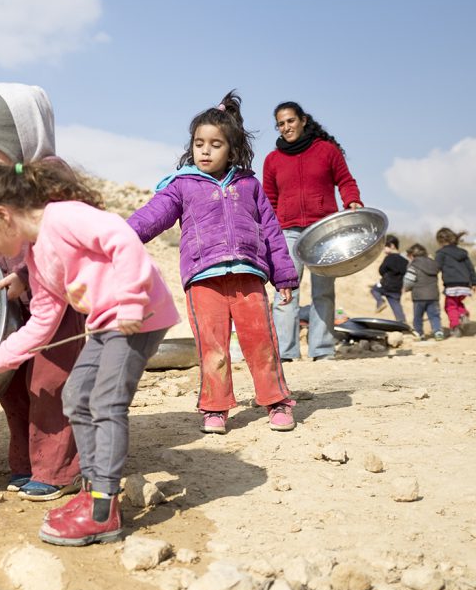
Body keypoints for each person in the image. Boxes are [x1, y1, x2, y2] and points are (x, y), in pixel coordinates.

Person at [0, 161, 179, 546]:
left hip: (138, 318)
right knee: (76, 396)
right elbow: (43, 321)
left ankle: (104, 510)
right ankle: (92, 492)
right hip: (107, 323)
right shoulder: (36, 259)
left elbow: (122, 240)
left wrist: (131, 302)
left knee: (105, 402)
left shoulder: (63, 218)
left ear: (2, 216)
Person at [128, 91, 299, 435]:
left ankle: (276, 401)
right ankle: (215, 408)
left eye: (215, 144)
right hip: (203, 279)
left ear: (231, 149)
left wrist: (284, 276)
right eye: (199, 143)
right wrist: (117, 236)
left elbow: (272, 231)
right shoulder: (182, 186)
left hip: (249, 276)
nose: (205, 150)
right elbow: (151, 218)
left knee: (261, 341)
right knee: (213, 347)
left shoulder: (249, 184)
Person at [0, 83, 85, 501]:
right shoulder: (3, 182)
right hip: (21, 308)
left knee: (50, 386)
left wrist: (26, 275)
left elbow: (54, 242)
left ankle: (60, 470)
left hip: (60, 305)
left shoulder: (53, 180)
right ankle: (27, 463)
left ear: (23, 137)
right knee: (14, 388)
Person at [263, 101, 363, 362]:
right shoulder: (272, 160)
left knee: (323, 291)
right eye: (281, 123)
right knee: (285, 291)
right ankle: (286, 354)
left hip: (323, 231)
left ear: (303, 120)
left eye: (290, 121)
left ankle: (322, 350)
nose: (286, 127)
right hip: (287, 232)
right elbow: (270, 200)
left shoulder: (326, 151)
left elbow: (345, 180)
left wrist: (352, 200)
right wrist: (268, 233)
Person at [434, 227, 475, 337]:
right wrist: (474, 283)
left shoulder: (441, 253)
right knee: (457, 303)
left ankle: (455, 328)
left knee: (450, 306)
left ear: (440, 241)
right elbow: (470, 268)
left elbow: (435, 267)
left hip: (451, 285)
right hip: (465, 285)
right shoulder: (463, 253)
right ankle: (463, 315)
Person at [403, 243, 443, 340]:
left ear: (412, 255)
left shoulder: (413, 265)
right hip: (433, 295)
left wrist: (406, 288)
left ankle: (419, 333)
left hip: (419, 296)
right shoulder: (433, 264)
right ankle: (438, 331)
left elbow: (409, 280)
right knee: (434, 315)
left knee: (418, 317)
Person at [371, 235, 408, 324]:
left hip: (386, 285)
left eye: (385, 247)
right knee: (396, 304)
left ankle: (380, 302)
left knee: (374, 290)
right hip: (397, 287)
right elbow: (405, 272)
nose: (384, 250)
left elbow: (381, 270)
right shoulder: (404, 260)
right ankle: (402, 322)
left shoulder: (389, 258)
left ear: (392, 246)